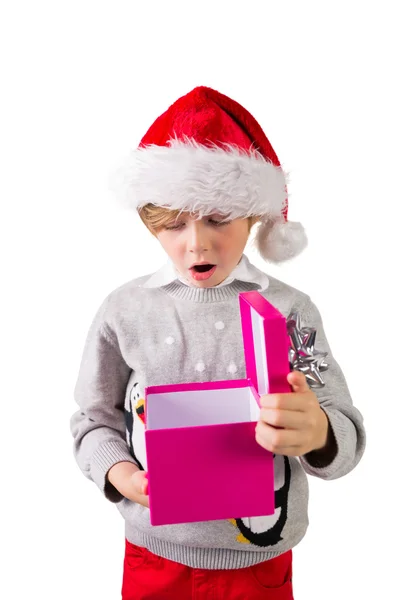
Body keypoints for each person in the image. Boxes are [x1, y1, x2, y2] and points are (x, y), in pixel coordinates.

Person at [71, 86, 366, 599]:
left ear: (253, 215)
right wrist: (120, 473)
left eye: (217, 218)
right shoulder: (124, 310)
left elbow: (346, 432)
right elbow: (91, 420)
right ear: (151, 222)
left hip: (259, 565)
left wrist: (318, 430)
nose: (197, 243)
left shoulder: (290, 311)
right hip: (154, 554)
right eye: (176, 223)